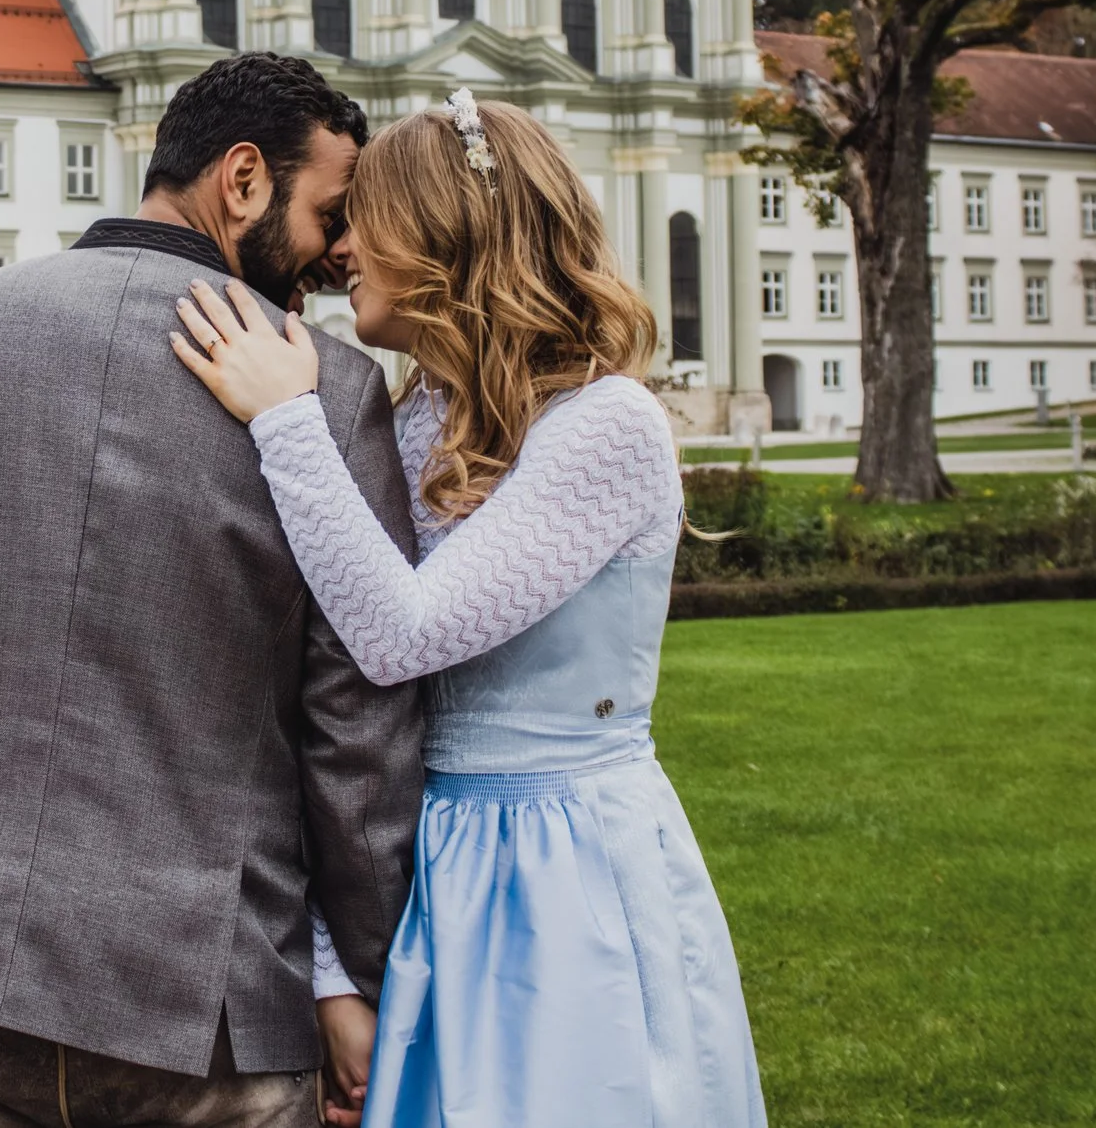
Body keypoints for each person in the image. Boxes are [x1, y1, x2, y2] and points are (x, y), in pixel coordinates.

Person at [0, 53, 428, 1128]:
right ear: (243, 180)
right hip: (209, 1007)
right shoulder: (329, 392)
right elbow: (356, 736)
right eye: (330, 215)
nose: (338, 254)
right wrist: (366, 981)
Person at [171, 90, 767, 1128]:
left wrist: (286, 419)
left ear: (444, 234)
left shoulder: (607, 424)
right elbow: (331, 702)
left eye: (366, 221)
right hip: (427, 862)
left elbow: (400, 633)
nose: (342, 248)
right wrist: (332, 970)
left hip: (566, 871)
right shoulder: (416, 420)